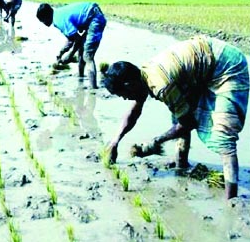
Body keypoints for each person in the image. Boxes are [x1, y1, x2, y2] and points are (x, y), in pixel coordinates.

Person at [101, 35, 249, 199]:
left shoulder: (161, 85)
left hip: (226, 65)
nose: (124, 99)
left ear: (129, 85)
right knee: (180, 111)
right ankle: (181, 164)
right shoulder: (142, 76)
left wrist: (154, 142)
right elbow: (134, 112)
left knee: (223, 137)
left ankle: (232, 200)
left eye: (122, 94)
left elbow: (188, 123)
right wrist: (116, 140)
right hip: (203, 65)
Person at [36, 2, 107, 89]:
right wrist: (61, 53)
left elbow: (77, 39)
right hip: (90, 17)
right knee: (81, 50)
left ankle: (93, 89)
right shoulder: (57, 15)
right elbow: (71, 40)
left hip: (94, 18)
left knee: (88, 56)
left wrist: (70, 54)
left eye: (42, 21)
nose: (44, 24)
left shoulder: (58, 20)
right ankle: (81, 77)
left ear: (46, 16)